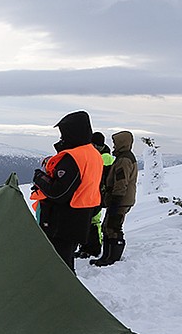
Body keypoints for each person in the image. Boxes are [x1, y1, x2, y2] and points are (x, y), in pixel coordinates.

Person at [30, 110, 103, 272]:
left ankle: (62, 294)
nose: (62, 137)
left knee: (58, 264)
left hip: (63, 219)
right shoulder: (93, 154)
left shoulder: (73, 157)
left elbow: (59, 192)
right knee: (66, 261)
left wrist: (39, 177)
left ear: (73, 132)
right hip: (81, 216)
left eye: (64, 133)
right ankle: (65, 292)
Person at [92, 130, 137, 266]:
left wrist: (115, 200)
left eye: (115, 143)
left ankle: (112, 258)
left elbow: (121, 182)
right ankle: (107, 256)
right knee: (108, 227)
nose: (113, 146)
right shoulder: (124, 157)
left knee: (113, 227)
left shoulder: (124, 160)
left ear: (122, 143)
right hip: (121, 199)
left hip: (120, 200)